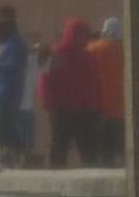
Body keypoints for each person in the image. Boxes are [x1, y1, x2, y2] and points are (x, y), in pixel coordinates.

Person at [42, 18, 101, 168]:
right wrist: (49, 106)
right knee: (59, 151)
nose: (83, 39)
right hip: (63, 111)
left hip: (86, 112)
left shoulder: (89, 56)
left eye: (85, 35)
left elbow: (96, 83)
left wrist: (97, 107)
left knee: (89, 154)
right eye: (79, 35)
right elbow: (45, 81)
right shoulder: (56, 54)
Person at [0, 6, 29, 166]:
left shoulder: (16, 43)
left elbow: (14, 66)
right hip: (0, 89)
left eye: (0, 21)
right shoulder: (5, 43)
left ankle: (7, 156)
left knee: (1, 124)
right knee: (3, 123)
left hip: (9, 90)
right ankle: (15, 154)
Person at [88, 17, 125, 166]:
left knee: (103, 145)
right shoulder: (126, 49)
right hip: (121, 107)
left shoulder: (95, 48)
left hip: (101, 105)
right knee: (120, 144)